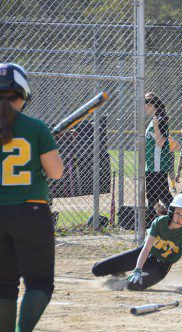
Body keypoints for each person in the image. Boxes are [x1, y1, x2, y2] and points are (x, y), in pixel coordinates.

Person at [0, 63, 64, 331]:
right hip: (30, 213)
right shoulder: (36, 127)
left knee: (3, 285)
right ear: (23, 94)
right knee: (38, 283)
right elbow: (56, 172)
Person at [92, 193, 182, 294]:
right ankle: (119, 272)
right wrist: (137, 270)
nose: (179, 218)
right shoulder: (160, 222)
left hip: (160, 266)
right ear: (172, 211)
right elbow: (146, 248)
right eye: (177, 213)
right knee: (97, 269)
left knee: (133, 286)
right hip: (146, 254)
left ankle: (123, 280)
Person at [144, 92, 174, 226]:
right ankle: (151, 224)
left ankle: (180, 217)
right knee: (152, 196)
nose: (145, 109)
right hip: (151, 164)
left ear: (152, 105)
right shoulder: (155, 119)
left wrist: (156, 126)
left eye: (146, 105)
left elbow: (161, 142)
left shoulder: (160, 120)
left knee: (162, 194)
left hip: (158, 164)